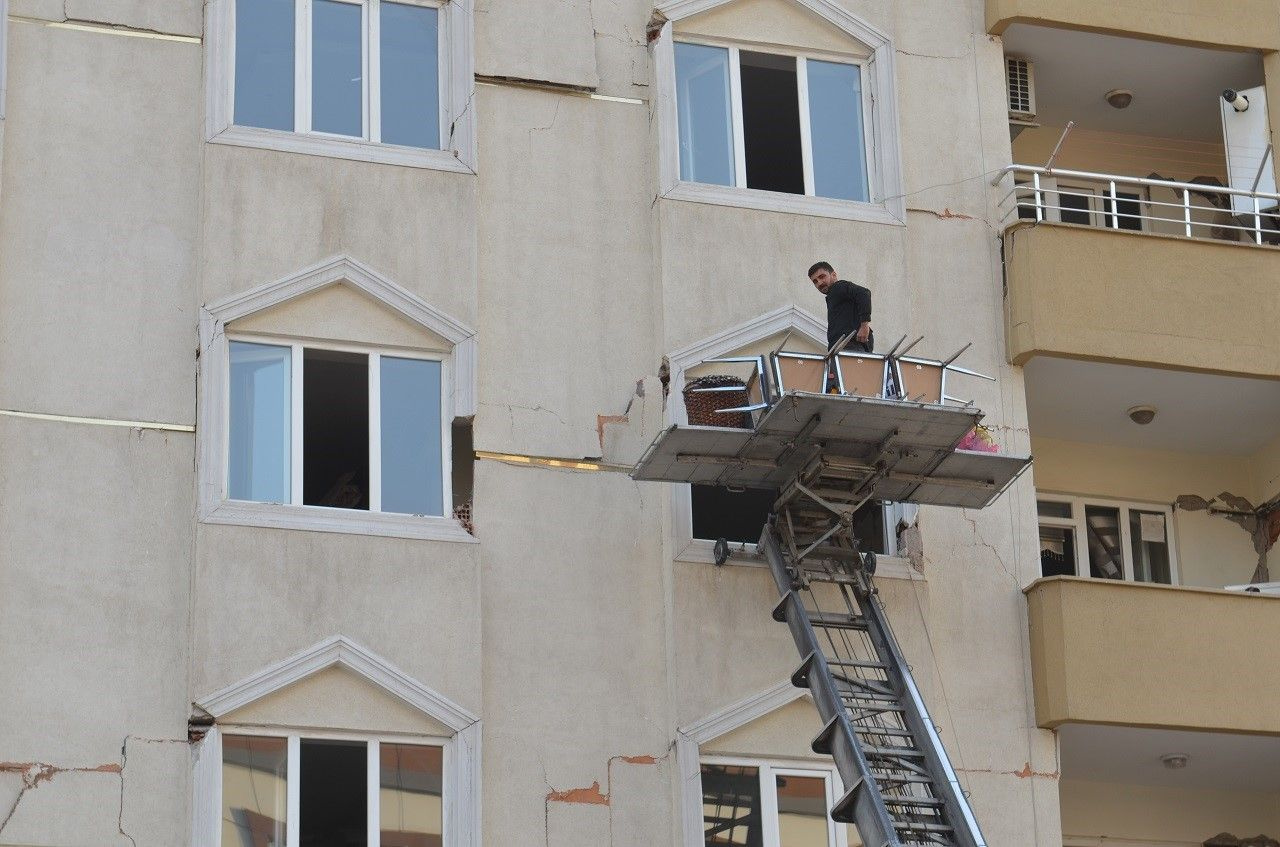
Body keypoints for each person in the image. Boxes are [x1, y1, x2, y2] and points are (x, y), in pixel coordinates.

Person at [808, 261, 873, 353]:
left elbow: (864, 293)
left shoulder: (838, 287)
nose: (819, 283)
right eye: (815, 281)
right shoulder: (834, 295)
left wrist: (864, 326)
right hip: (843, 347)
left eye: (822, 277)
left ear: (833, 275)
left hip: (850, 346)